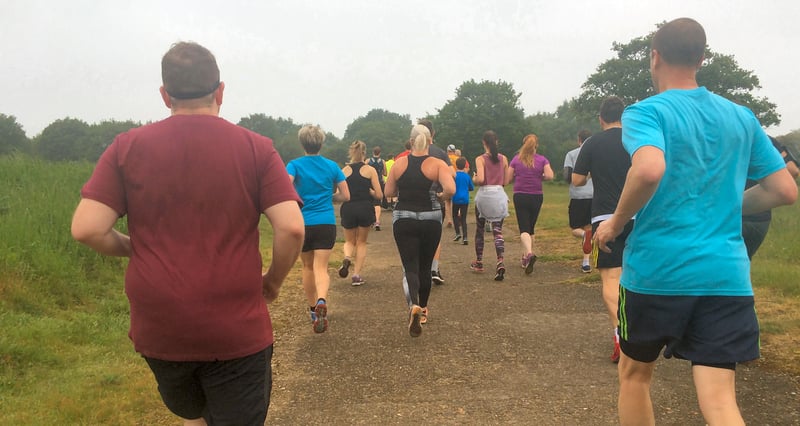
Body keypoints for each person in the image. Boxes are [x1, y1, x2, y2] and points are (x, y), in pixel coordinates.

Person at [70, 41, 305, 425]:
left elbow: (86, 228)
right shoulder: (256, 149)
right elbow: (292, 227)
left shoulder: (127, 147)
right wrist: (273, 282)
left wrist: (134, 248)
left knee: (193, 414)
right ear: (220, 91)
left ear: (165, 95)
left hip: (161, 329)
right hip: (236, 329)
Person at [593, 18, 796, 426]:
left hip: (656, 273)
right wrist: (728, 206)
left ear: (654, 57)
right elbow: (785, 190)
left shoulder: (646, 112)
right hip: (725, 277)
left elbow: (648, 169)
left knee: (635, 377)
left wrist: (614, 223)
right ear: (702, 59)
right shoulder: (741, 117)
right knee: (720, 402)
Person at [572, 96, 631, 364]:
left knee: (611, 277)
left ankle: (621, 335)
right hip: (638, 215)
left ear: (600, 118)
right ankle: (643, 332)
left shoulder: (592, 143)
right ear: (624, 116)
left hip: (605, 218)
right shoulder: (637, 139)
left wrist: (594, 170)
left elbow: (577, 180)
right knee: (638, 275)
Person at [384, 124, 455, 337]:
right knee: (425, 266)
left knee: (410, 267)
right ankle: (422, 310)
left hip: (404, 217)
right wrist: (440, 196)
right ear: (430, 141)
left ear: (411, 141)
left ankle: (413, 304)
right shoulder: (437, 164)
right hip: (431, 217)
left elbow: (388, 192)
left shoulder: (399, 163)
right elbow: (451, 189)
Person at [286, 125, 350, 334]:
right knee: (321, 268)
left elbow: (285, 187)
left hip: (303, 222)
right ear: (321, 143)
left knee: (307, 267)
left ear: (302, 143)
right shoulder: (332, 166)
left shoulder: (294, 165)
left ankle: (314, 309)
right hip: (325, 222)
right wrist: (330, 197)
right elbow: (346, 195)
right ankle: (322, 299)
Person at [742, 136, 800, 258]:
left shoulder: (726, 136)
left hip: (728, 213)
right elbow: (793, 170)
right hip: (760, 218)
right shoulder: (764, 140)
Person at [506, 134, 554, 275]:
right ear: (536, 145)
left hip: (520, 195)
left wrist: (517, 176)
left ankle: (528, 254)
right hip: (536, 196)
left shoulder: (516, 159)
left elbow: (507, 178)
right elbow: (550, 176)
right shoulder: (542, 159)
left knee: (524, 229)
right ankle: (525, 257)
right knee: (531, 228)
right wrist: (540, 176)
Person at [338, 140, 383, 286]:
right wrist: (369, 191)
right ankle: (356, 275)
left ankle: (347, 257)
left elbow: (339, 194)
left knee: (349, 241)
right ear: (364, 153)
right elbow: (379, 195)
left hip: (348, 208)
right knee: (361, 242)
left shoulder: (344, 170)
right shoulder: (370, 170)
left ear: (351, 152)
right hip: (364, 207)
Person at [417, 118, 454, 285]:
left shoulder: (411, 153)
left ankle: (418, 269)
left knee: (417, 237)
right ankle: (433, 269)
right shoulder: (440, 153)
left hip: (414, 200)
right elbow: (452, 174)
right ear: (433, 133)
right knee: (434, 237)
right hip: (435, 199)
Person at [471, 130, 510, 281]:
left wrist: (474, 178)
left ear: (484, 142)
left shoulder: (480, 159)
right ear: (497, 142)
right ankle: (500, 261)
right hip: (499, 195)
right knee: (497, 231)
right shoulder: (504, 159)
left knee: (480, 229)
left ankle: (479, 261)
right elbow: (506, 181)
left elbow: (481, 179)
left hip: (484, 196)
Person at [563, 129, 594, 273]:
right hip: (594, 196)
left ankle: (583, 236)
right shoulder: (595, 153)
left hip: (577, 196)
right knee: (589, 228)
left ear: (579, 139)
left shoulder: (571, 154)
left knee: (575, 228)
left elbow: (567, 177)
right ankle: (586, 263)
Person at [451, 157, 474, 245]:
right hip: (465, 199)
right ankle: (465, 237)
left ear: (456, 165)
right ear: (465, 166)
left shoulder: (454, 176)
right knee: (463, 219)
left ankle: (457, 233)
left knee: (455, 216)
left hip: (456, 198)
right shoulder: (467, 176)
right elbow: (471, 187)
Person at [367, 146, 387, 230]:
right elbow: (385, 173)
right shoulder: (382, 161)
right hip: (379, 183)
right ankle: (377, 221)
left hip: (369, 183)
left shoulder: (368, 161)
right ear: (380, 153)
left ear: (373, 152)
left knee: (369, 201)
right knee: (377, 203)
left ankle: (370, 220)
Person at [445, 143, 460, 227]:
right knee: (456, 200)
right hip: (456, 180)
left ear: (448, 151)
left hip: (447, 180)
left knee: (447, 202)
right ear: (454, 151)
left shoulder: (445, 159)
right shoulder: (458, 158)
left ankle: (449, 220)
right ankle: (458, 213)